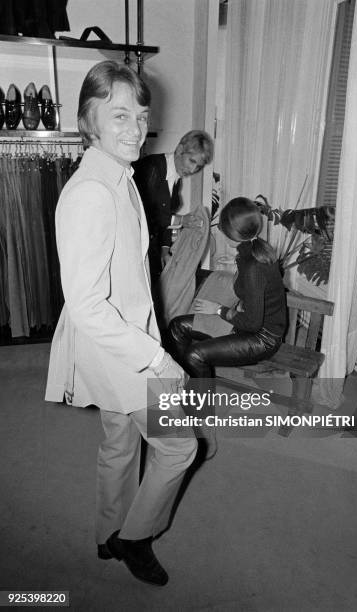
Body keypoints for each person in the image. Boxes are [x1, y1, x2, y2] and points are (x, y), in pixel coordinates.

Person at [45, 60, 197, 587]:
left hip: (120, 346)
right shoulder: (92, 191)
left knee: (118, 442)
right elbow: (86, 304)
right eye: (118, 115)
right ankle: (136, 537)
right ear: (88, 120)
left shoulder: (119, 176)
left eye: (141, 113)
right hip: (126, 353)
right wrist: (158, 357)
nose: (135, 126)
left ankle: (109, 534)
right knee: (181, 446)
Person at [169, 196, 287, 380]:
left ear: (231, 233)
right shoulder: (251, 251)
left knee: (195, 355)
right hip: (246, 325)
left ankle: (200, 406)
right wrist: (235, 267)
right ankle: (185, 384)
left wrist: (217, 309)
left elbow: (252, 323)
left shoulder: (252, 266)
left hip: (262, 339)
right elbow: (256, 284)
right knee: (177, 326)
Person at [132, 130, 214, 279]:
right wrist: (182, 220)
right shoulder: (152, 168)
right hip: (134, 251)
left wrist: (165, 249)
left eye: (199, 166)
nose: (193, 170)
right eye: (192, 161)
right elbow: (146, 214)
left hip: (150, 251)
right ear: (180, 149)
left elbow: (165, 217)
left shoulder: (176, 178)